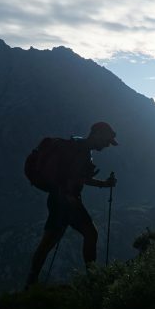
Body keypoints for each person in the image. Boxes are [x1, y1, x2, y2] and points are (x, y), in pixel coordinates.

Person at [25, 121, 119, 289]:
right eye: (106, 141)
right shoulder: (81, 151)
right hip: (66, 200)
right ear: (97, 135)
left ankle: (31, 281)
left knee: (49, 241)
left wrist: (104, 184)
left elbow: (78, 177)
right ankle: (93, 280)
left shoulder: (79, 147)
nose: (106, 146)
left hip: (59, 199)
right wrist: (70, 197)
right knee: (90, 234)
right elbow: (70, 178)